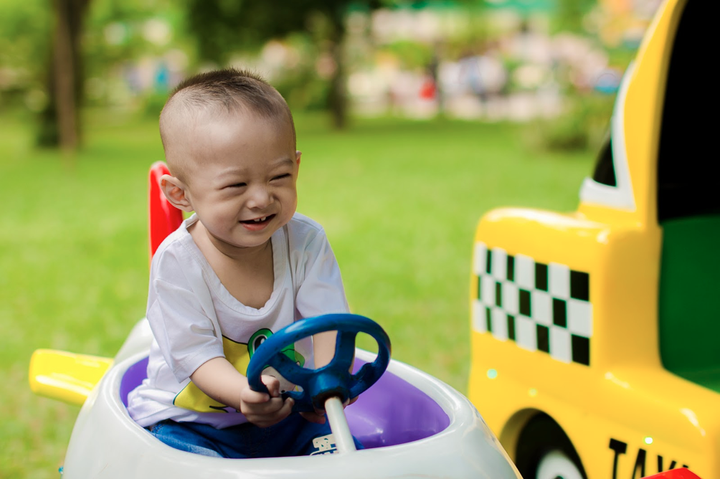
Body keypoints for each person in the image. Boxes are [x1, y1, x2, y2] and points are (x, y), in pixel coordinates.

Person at [127, 68, 360, 458]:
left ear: (297, 168)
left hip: (288, 416)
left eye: (278, 176)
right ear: (179, 193)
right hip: (192, 424)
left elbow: (329, 322)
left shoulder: (305, 241)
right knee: (180, 462)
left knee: (350, 455)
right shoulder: (177, 262)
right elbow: (195, 354)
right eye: (236, 185)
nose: (261, 199)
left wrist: (328, 378)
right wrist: (242, 395)